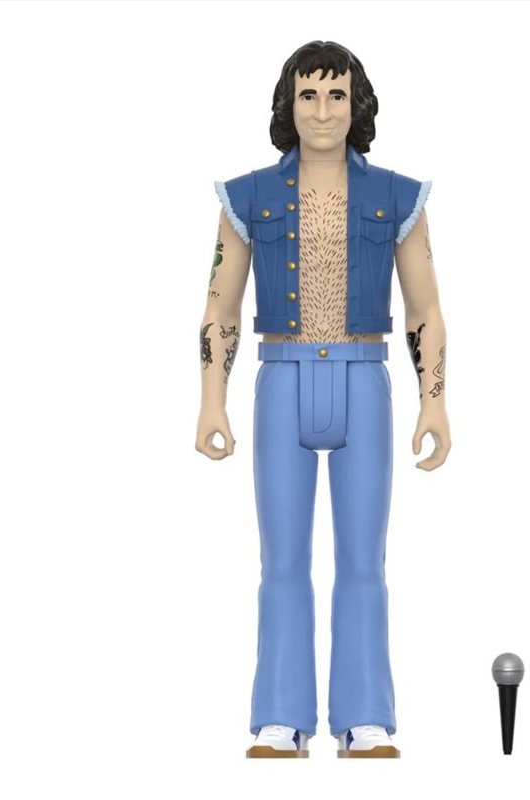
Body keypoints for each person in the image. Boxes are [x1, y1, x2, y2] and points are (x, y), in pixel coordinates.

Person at [195, 41, 451, 758]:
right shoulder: (247, 196)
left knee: (364, 561)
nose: (322, 110)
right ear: (289, 103)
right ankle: (280, 715)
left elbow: (425, 307)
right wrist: (212, 400)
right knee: (281, 560)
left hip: (365, 379)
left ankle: (365, 716)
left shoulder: (397, 196)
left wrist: (434, 400)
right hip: (280, 378)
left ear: (356, 104)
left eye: (337, 95)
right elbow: (220, 306)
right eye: (308, 94)